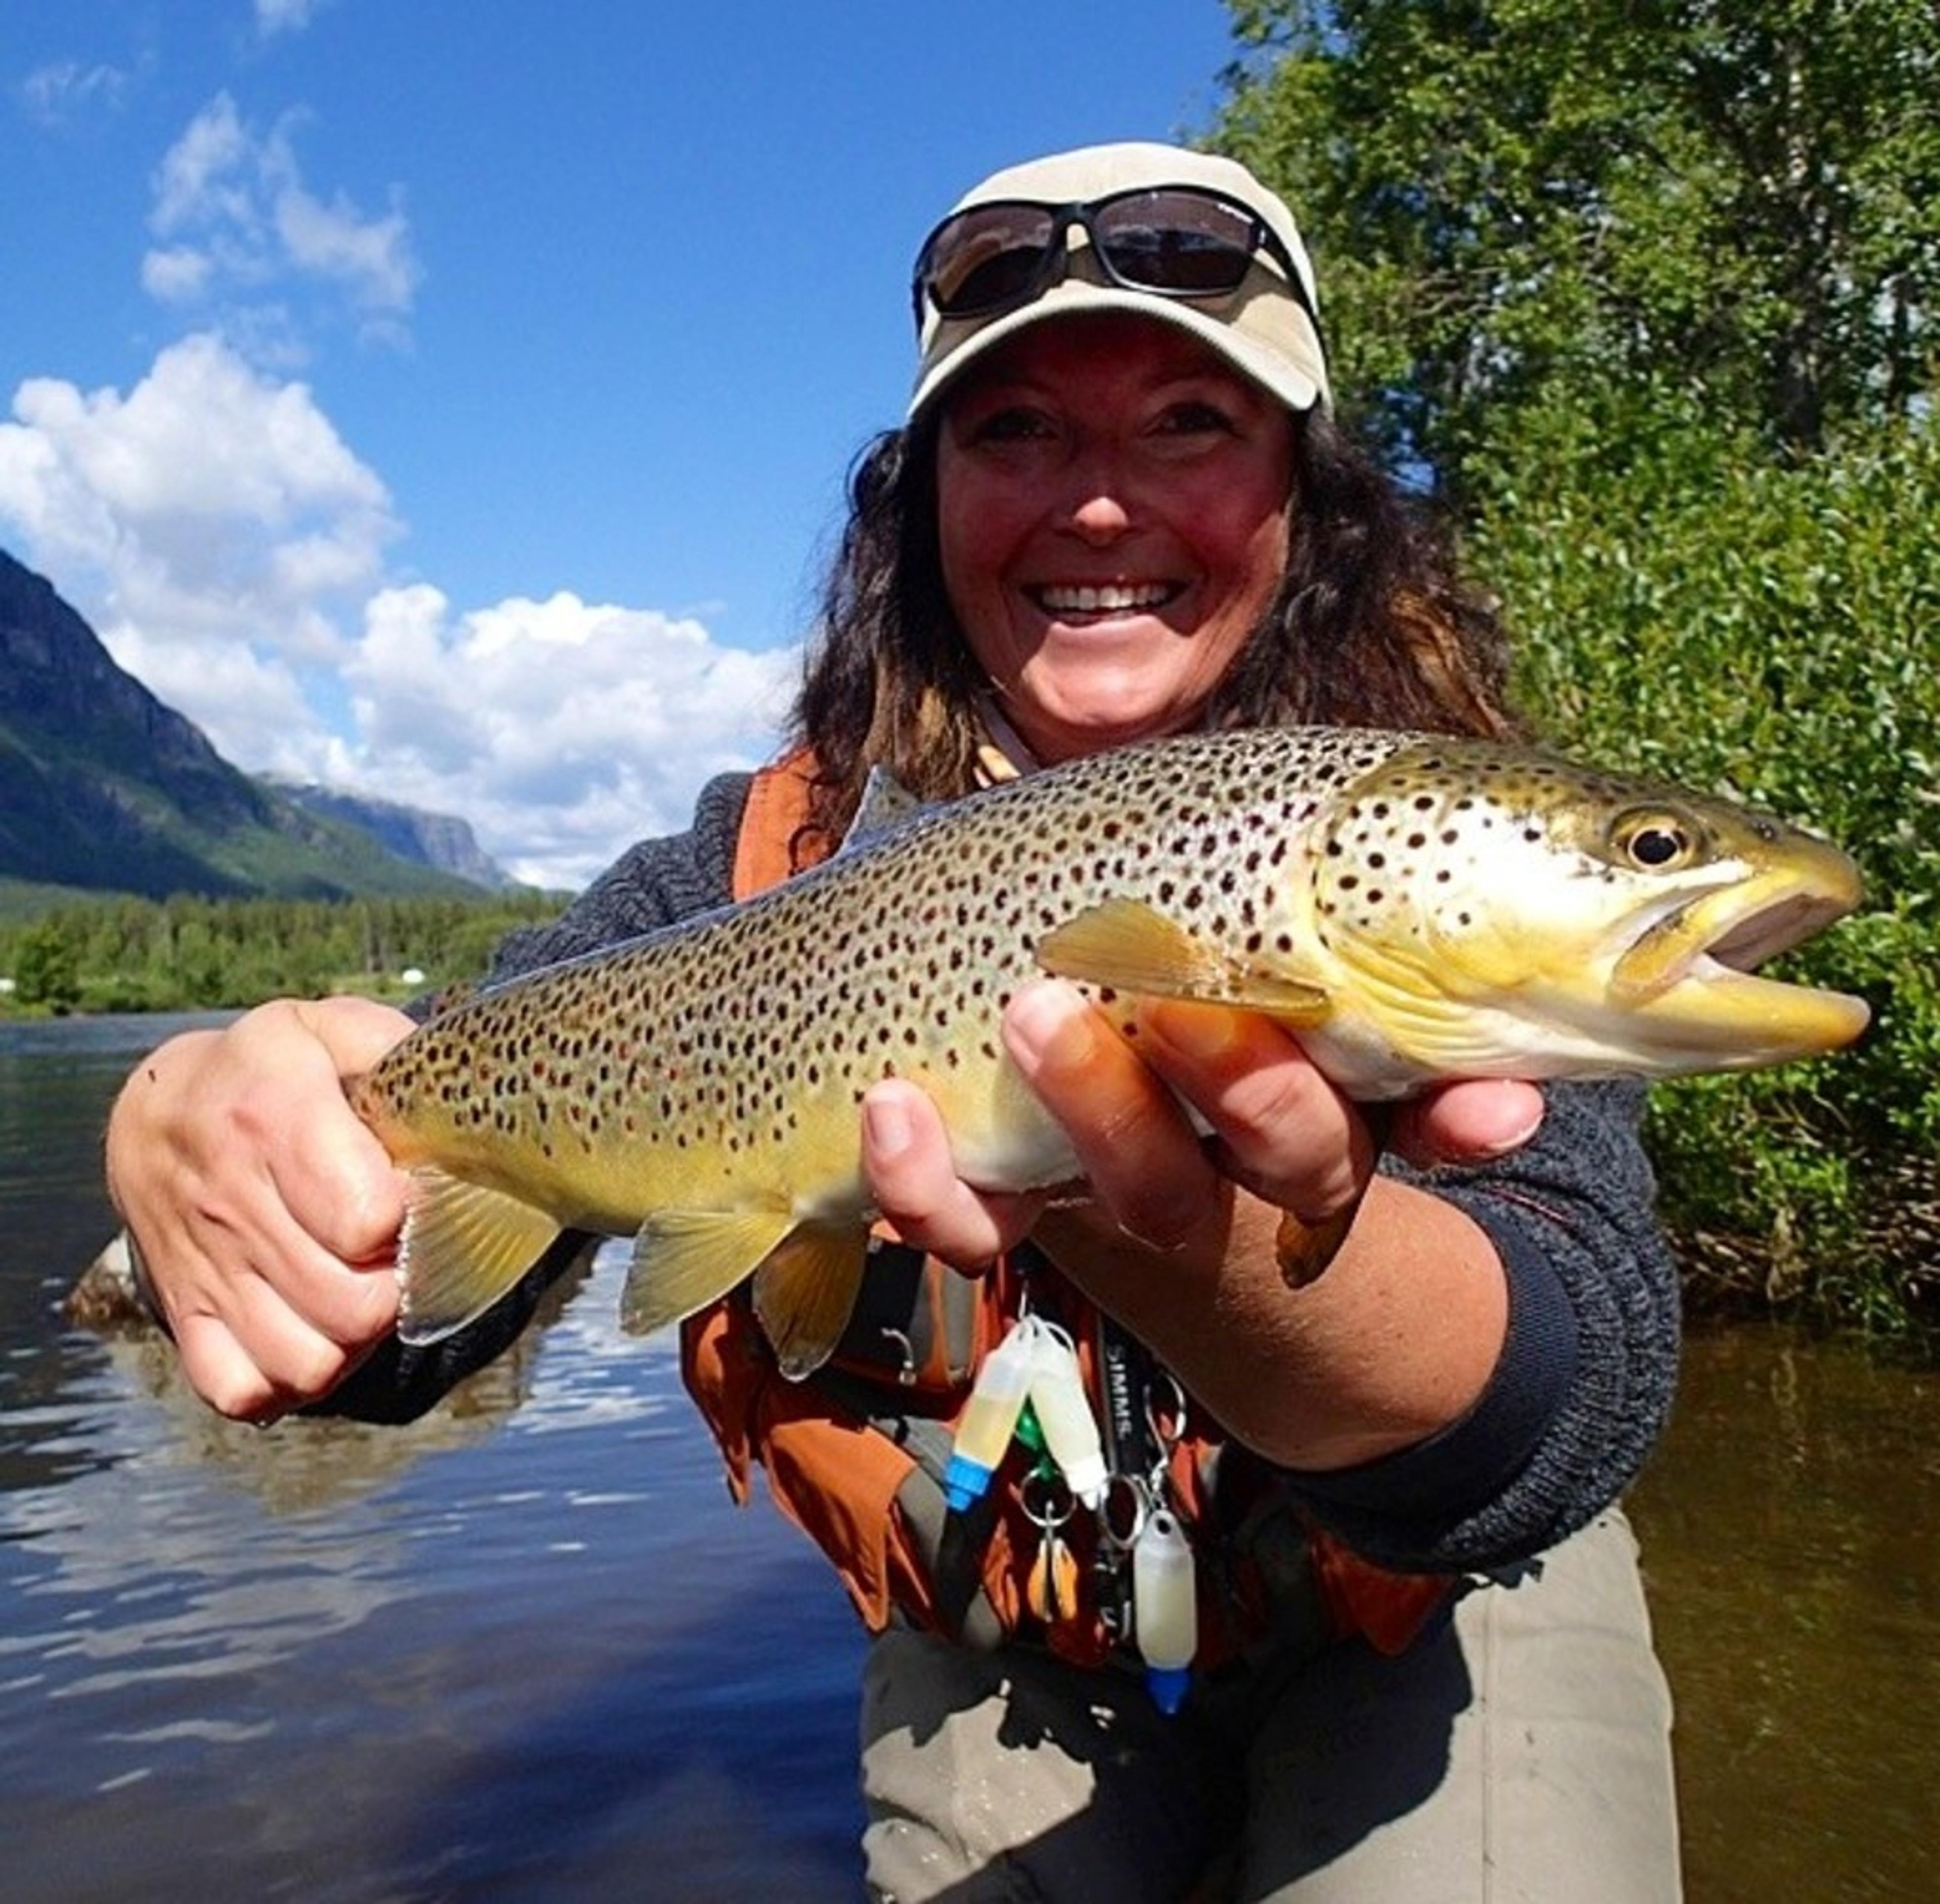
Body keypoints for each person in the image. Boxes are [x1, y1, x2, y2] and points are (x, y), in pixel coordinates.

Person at [105, 142, 1683, 1900]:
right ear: (922, 502)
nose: (1101, 504)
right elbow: (389, 1278)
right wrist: (184, 1123)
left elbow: (1567, 1395)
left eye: (1187, 422)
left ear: (1303, 493)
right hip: (1011, 1634)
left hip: (1433, 1613)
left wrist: (1186, 1234)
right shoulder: (748, 876)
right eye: (1016, 430)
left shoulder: (1443, 838)